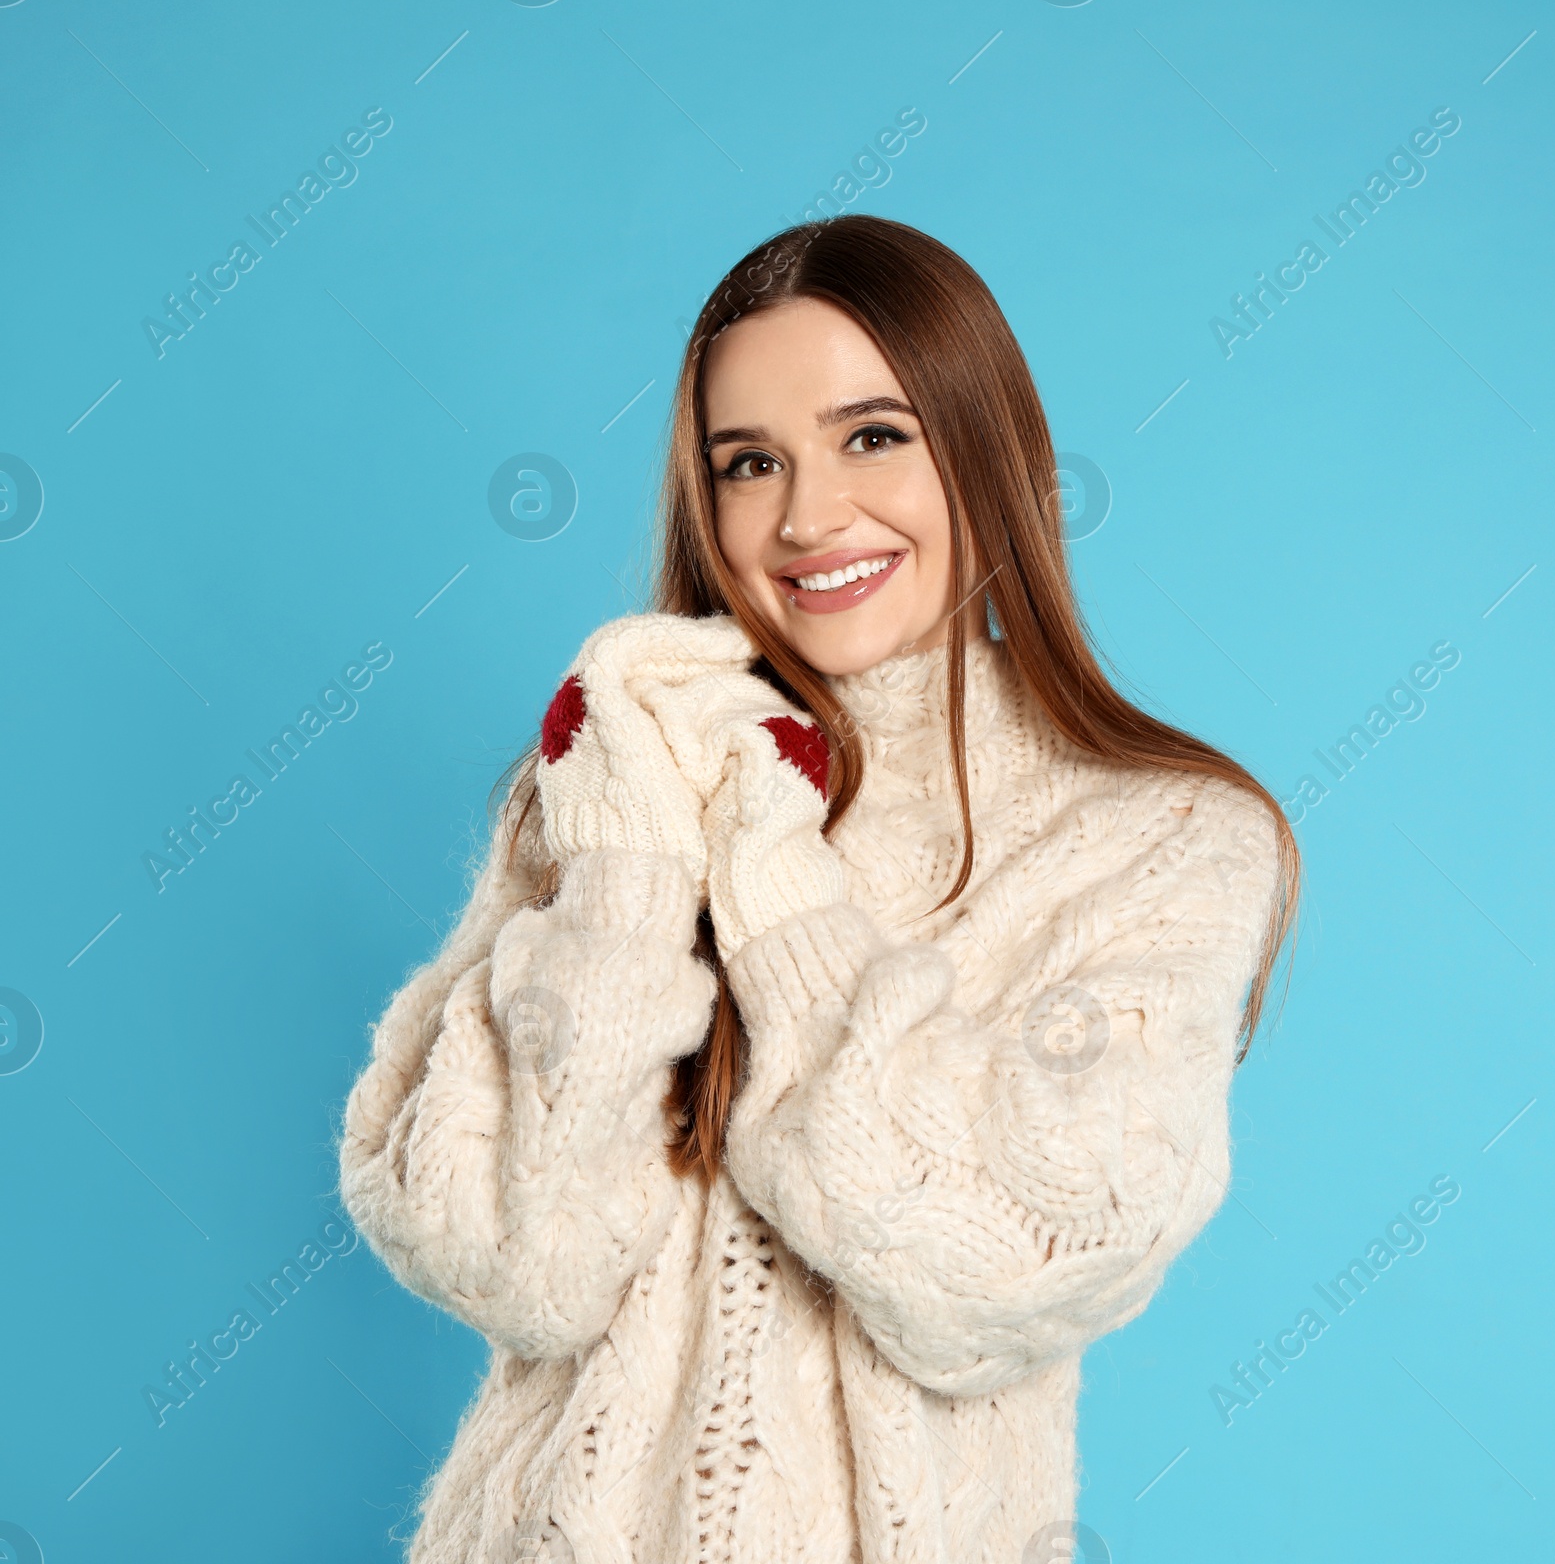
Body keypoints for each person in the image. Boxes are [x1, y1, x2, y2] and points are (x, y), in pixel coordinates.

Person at [338, 214, 1301, 1564]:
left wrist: (774, 880)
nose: (805, 515)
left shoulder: (1161, 837)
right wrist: (625, 873)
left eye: (873, 435)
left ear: (988, 447)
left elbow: (991, 1275)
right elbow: (513, 1263)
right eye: (749, 463)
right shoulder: (618, 783)